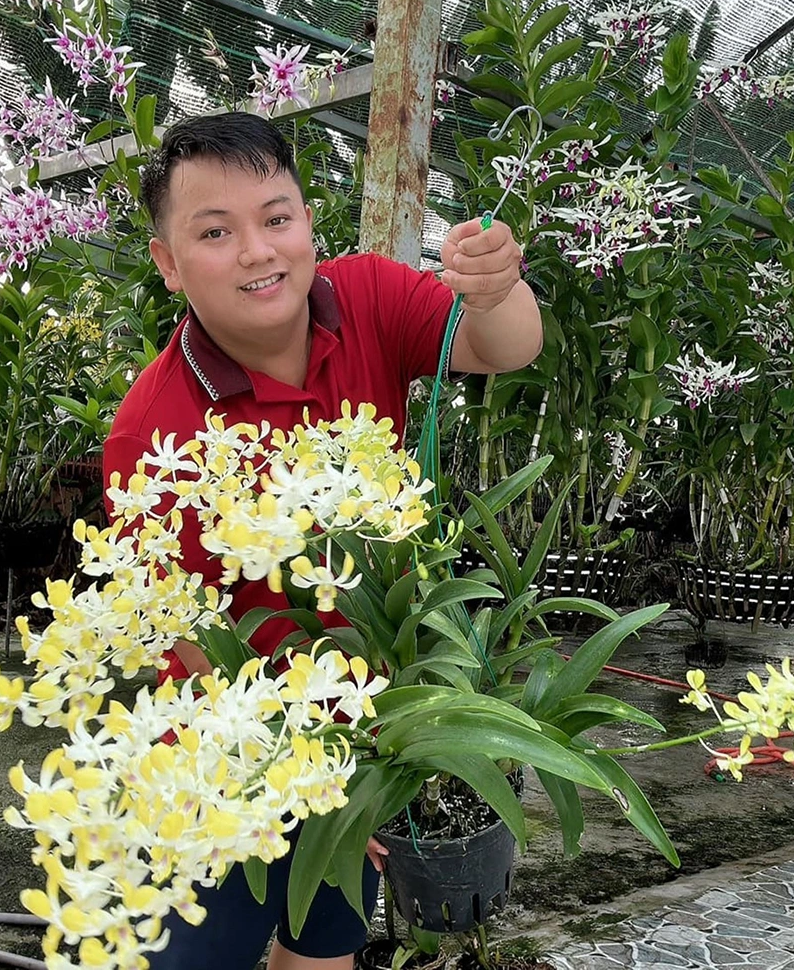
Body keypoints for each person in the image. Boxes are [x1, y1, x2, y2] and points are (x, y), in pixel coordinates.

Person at [103, 111, 542, 970]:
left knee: (323, 948)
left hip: (355, 727)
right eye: (216, 232)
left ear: (308, 221)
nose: (260, 251)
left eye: (277, 217)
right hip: (221, 759)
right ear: (167, 263)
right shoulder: (151, 436)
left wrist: (495, 291)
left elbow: (504, 348)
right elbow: (181, 638)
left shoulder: (369, 298)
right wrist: (303, 775)